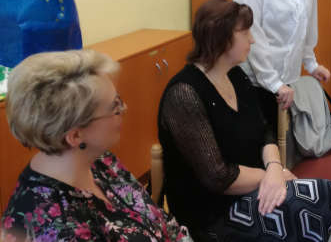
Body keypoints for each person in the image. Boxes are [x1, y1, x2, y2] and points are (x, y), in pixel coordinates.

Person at [158, 0, 331, 241]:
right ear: (222, 39)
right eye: (245, 32)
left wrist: (275, 168)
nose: (252, 40)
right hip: (213, 215)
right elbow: (218, 177)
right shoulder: (184, 94)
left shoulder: (236, 76)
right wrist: (270, 177)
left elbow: (264, 132)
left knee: (330, 194)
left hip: (255, 188)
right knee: (304, 214)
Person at [0, 49, 192, 242]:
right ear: (75, 135)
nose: (124, 108)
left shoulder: (98, 158)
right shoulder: (58, 229)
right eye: (114, 106)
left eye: (119, 100)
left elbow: (159, 220)